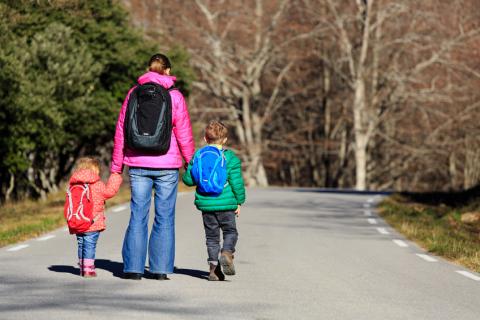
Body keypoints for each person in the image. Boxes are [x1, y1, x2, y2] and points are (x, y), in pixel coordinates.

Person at [111, 53, 194, 280]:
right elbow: (184, 133)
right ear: (167, 70)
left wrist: (116, 168)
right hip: (167, 164)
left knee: (138, 215)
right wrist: (190, 163)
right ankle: (159, 270)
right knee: (164, 217)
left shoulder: (133, 93)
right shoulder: (175, 96)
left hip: (137, 162)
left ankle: (133, 269)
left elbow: (121, 131)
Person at [182, 120, 246, 281]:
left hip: (206, 205)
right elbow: (236, 183)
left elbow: (188, 180)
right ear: (224, 140)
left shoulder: (198, 155)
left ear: (205, 138)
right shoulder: (230, 158)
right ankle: (227, 252)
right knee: (230, 232)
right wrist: (239, 201)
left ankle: (213, 270)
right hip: (226, 204)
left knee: (212, 238)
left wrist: (189, 167)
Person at [67, 157, 123, 277]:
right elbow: (109, 192)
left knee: (81, 244)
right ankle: (88, 269)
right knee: (89, 245)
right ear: (94, 170)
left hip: (78, 221)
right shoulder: (97, 184)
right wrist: (116, 176)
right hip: (93, 222)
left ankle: (82, 268)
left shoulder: (73, 185)